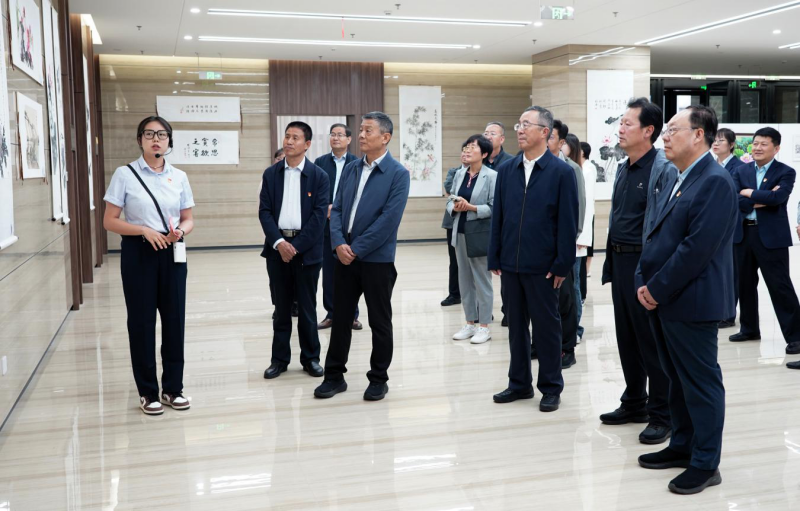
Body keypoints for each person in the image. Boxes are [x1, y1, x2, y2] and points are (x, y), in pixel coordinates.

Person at [635, 105, 737, 495]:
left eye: (672, 129)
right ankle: (682, 445)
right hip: (666, 298)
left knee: (700, 382)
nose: (664, 136)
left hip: (692, 301)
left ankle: (706, 463)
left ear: (698, 135)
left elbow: (696, 250)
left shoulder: (715, 181)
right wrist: (644, 280)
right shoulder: (681, 176)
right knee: (676, 378)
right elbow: (657, 235)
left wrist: (656, 288)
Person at [315, 111, 410, 401]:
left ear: (385, 137)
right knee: (341, 318)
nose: (361, 135)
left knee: (380, 321)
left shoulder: (398, 174)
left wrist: (355, 249)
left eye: (368, 130)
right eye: (361, 130)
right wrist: (338, 244)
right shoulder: (352, 168)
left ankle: (378, 379)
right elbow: (337, 209)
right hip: (344, 257)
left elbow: (388, 220)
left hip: (377, 261)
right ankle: (334, 376)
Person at [103, 115, 195, 415]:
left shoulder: (179, 176)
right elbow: (109, 221)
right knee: (142, 323)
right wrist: (143, 230)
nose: (156, 139)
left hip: (172, 252)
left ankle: (173, 389)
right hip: (138, 253)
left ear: (169, 141)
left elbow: (188, 218)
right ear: (139, 139)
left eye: (162, 135)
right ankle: (147, 392)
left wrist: (180, 231)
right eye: (149, 134)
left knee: (174, 321)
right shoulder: (124, 174)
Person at [488, 106, 578, 413]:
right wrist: (495, 255)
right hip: (511, 264)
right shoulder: (507, 170)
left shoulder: (561, 172)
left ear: (545, 132)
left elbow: (568, 222)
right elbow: (499, 217)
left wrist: (562, 263)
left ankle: (551, 387)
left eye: (527, 124)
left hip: (544, 267)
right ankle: (519, 384)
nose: (520, 129)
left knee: (546, 328)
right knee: (515, 327)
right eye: (519, 124)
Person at [600, 98, 675, 445]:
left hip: (644, 264)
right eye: (621, 123)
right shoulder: (623, 166)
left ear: (649, 130)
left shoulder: (663, 169)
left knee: (650, 342)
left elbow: (666, 226)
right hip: (620, 261)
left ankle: (662, 414)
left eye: (628, 123)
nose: (620, 128)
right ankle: (634, 401)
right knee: (626, 337)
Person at [259, 121, 329, 380]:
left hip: (306, 252)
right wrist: (280, 243)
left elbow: (319, 218)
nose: (288, 141)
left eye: (295, 138)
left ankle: (311, 359)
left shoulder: (319, 176)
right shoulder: (271, 174)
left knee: (308, 309)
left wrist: (295, 247)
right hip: (277, 249)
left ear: (307, 144)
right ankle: (279, 360)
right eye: (286, 136)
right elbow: (264, 212)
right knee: (281, 309)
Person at [729, 127, 800, 358]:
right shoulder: (741, 170)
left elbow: (778, 198)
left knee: (780, 287)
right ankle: (749, 329)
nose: (757, 148)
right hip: (743, 234)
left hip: (771, 237)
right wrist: (761, 198)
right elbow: (733, 199)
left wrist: (748, 193)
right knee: (744, 284)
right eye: (756, 143)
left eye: (764, 144)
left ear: (776, 148)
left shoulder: (786, 171)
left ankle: (796, 337)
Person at [447, 135, 497, 344]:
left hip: (479, 235)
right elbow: (450, 198)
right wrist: (455, 207)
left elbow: (495, 207)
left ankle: (484, 326)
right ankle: (470, 323)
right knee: (465, 280)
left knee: (482, 281)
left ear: (484, 154)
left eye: (472, 147)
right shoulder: (460, 174)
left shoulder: (492, 176)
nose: (467, 150)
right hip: (460, 232)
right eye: (466, 147)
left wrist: (472, 208)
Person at [544, 120, 583, 369]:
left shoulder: (571, 168)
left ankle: (568, 348)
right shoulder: (534, 166)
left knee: (565, 299)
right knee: (543, 301)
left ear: (561, 143)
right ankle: (543, 344)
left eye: (551, 136)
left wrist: (568, 245)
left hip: (563, 247)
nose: (546, 139)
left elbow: (578, 210)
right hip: (540, 248)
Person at [315, 123, 362, 331]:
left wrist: (338, 208)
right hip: (326, 225)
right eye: (332, 134)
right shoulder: (320, 162)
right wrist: (325, 207)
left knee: (351, 270)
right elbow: (315, 191)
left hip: (349, 224)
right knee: (329, 272)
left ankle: (352, 315)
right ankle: (331, 314)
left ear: (349, 139)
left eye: (340, 135)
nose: (336, 138)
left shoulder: (358, 163)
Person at [713, 127, 744, 328]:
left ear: (731, 145)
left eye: (721, 140)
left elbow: (735, 196)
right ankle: (719, 310)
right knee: (718, 271)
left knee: (732, 273)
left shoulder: (739, 168)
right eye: (714, 140)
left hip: (732, 227)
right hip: (714, 227)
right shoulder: (711, 165)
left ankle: (728, 314)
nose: (716, 143)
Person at [483, 121, 513, 326]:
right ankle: (483, 312)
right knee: (481, 272)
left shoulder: (510, 162)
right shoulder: (478, 160)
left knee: (505, 273)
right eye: (485, 133)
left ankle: (508, 311)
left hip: (502, 223)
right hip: (480, 224)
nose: (488, 136)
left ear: (502, 139)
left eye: (492, 133)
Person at [564, 133, 592, 343]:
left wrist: (583, 236)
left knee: (574, 286)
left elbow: (587, 206)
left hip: (578, 237)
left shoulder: (583, 169)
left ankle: (576, 329)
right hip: (565, 239)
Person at [440, 162, 463, 307]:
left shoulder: (484, 173)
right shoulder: (454, 171)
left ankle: (478, 302)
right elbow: (449, 189)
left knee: (475, 264)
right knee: (454, 260)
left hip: (475, 224)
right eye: (464, 151)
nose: (465, 154)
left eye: (469, 151)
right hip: (452, 221)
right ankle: (454, 294)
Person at [579, 142, 596, 302]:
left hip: (586, 216)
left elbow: (587, 199)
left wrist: (584, 234)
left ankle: (582, 296)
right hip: (581, 217)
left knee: (584, 256)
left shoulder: (588, 169)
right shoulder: (580, 167)